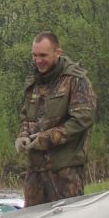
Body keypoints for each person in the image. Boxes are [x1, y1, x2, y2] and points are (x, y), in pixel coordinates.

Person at [16, 31, 97, 205]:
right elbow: (26, 117)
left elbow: (82, 119)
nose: (38, 60)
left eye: (43, 55)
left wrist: (47, 138)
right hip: (35, 170)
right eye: (35, 55)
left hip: (64, 169)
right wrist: (22, 135)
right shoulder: (33, 82)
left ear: (58, 52)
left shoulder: (75, 80)